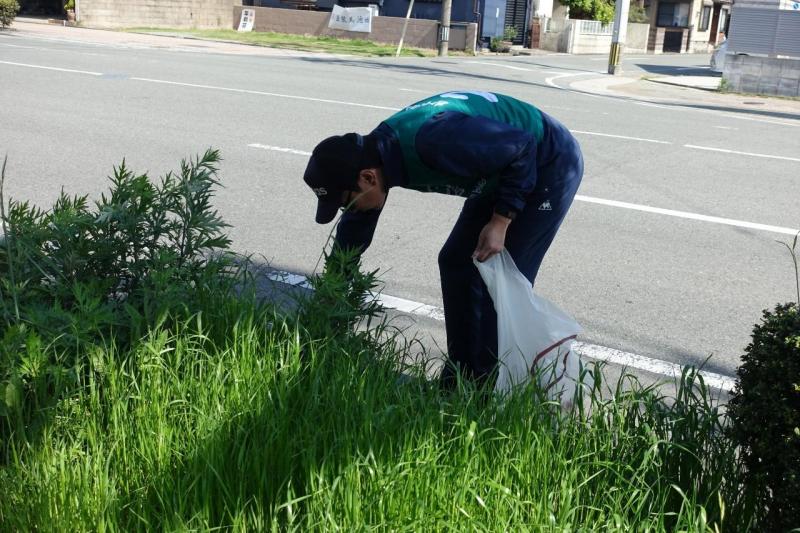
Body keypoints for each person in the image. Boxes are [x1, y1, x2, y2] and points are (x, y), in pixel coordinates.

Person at [302, 90, 583, 389]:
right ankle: (459, 379)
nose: (349, 210)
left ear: (368, 178)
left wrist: (501, 220)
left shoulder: (432, 141)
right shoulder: (373, 160)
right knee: (455, 262)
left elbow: (521, 148)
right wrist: (327, 308)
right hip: (499, 171)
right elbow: (351, 240)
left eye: (347, 201)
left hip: (546, 162)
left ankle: (488, 394)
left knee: (493, 283)